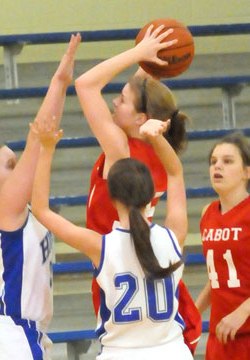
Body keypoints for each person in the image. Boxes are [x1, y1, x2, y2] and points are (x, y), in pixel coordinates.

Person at [74, 24, 201, 353]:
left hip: (115, 269)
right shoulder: (157, 151)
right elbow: (142, 98)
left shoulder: (121, 148)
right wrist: (146, 63)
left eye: (122, 99)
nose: (114, 102)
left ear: (141, 116)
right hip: (145, 270)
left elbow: (86, 85)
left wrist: (138, 54)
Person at [0, 34, 81, 360]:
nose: (20, 170)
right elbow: (37, 140)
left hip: (24, 330)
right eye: (10, 166)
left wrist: (62, 83)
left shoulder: (14, 209)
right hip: (6, 331)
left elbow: (41, 141)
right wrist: (59, 82)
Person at [31, 115, 193, 359]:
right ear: (151, 195)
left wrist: (47, 148)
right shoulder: (173, 236)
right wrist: (156, 138)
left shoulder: (100, 246)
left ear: (112, 197)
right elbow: (175, 172)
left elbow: (41, 210)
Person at [196, 132, 250, 360]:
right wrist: (191, 314)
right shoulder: (206, 214)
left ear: (247, 172)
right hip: (221, 337)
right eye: (213, 161)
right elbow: (217, 278)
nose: (218, 166)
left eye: (227, 161)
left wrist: (243, 312)